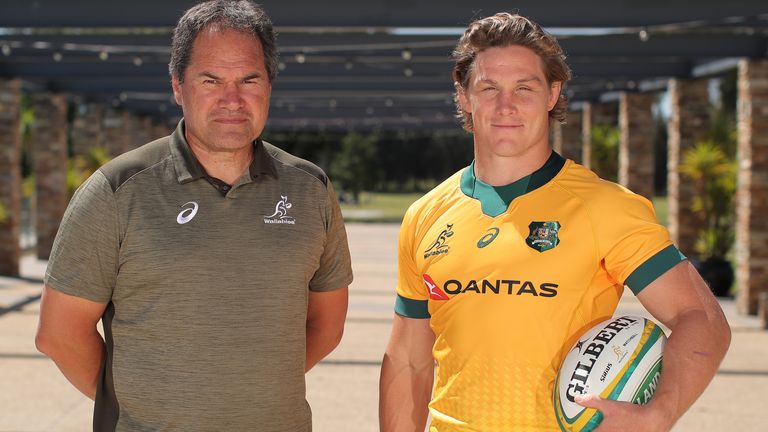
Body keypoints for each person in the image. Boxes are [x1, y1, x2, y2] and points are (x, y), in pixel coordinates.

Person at [379, 12, 730, 432]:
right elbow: (409, 360)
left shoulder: (605, 207)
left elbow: (702, 319)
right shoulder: (425, 214)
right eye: (489, 87)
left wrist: (660, 413)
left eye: (524, 88)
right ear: (464, 96)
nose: (505, 105)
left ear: (552, 94)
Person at [35, 1, 352, 430]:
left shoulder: (310, 188)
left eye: (249, 79)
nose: (232, 100)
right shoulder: (116, 191)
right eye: (211, 80)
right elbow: (59, 334)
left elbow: (327, 326)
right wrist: (144, 404)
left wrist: (246, 392)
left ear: (269, 85)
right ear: (178, 87)